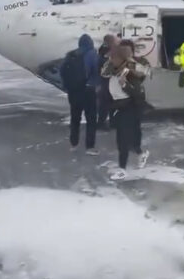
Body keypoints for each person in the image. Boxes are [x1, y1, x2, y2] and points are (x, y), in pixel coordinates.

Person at [101, 43, 150, 178]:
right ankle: (140, 154)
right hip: (119, 107)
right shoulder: (113, 70)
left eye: (113, 58)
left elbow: (139, 94)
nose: (110, 60)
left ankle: (122, 169)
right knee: (128, 138)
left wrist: (125, 85)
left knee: (123, 139)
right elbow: (106, 78)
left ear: (121, 59)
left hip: (130, 108)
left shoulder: (130, 73)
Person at [59, 34, 100, 155]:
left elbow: (62, 71)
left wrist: (68, 86)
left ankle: (74, 144)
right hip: (88, 91)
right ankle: (90, 147)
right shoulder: (92, 54)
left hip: (73, 92)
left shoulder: (70, 55)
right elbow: (97, 71)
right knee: (91, 119)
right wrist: (95, 85)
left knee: (75, 118)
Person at [96, 34, 119, 130]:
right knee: (110, 104)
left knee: (104, 104)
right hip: (109, 82)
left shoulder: (102, 49)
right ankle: (111, 123)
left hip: (104, 82)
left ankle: (102, 122)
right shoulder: (110, 51)